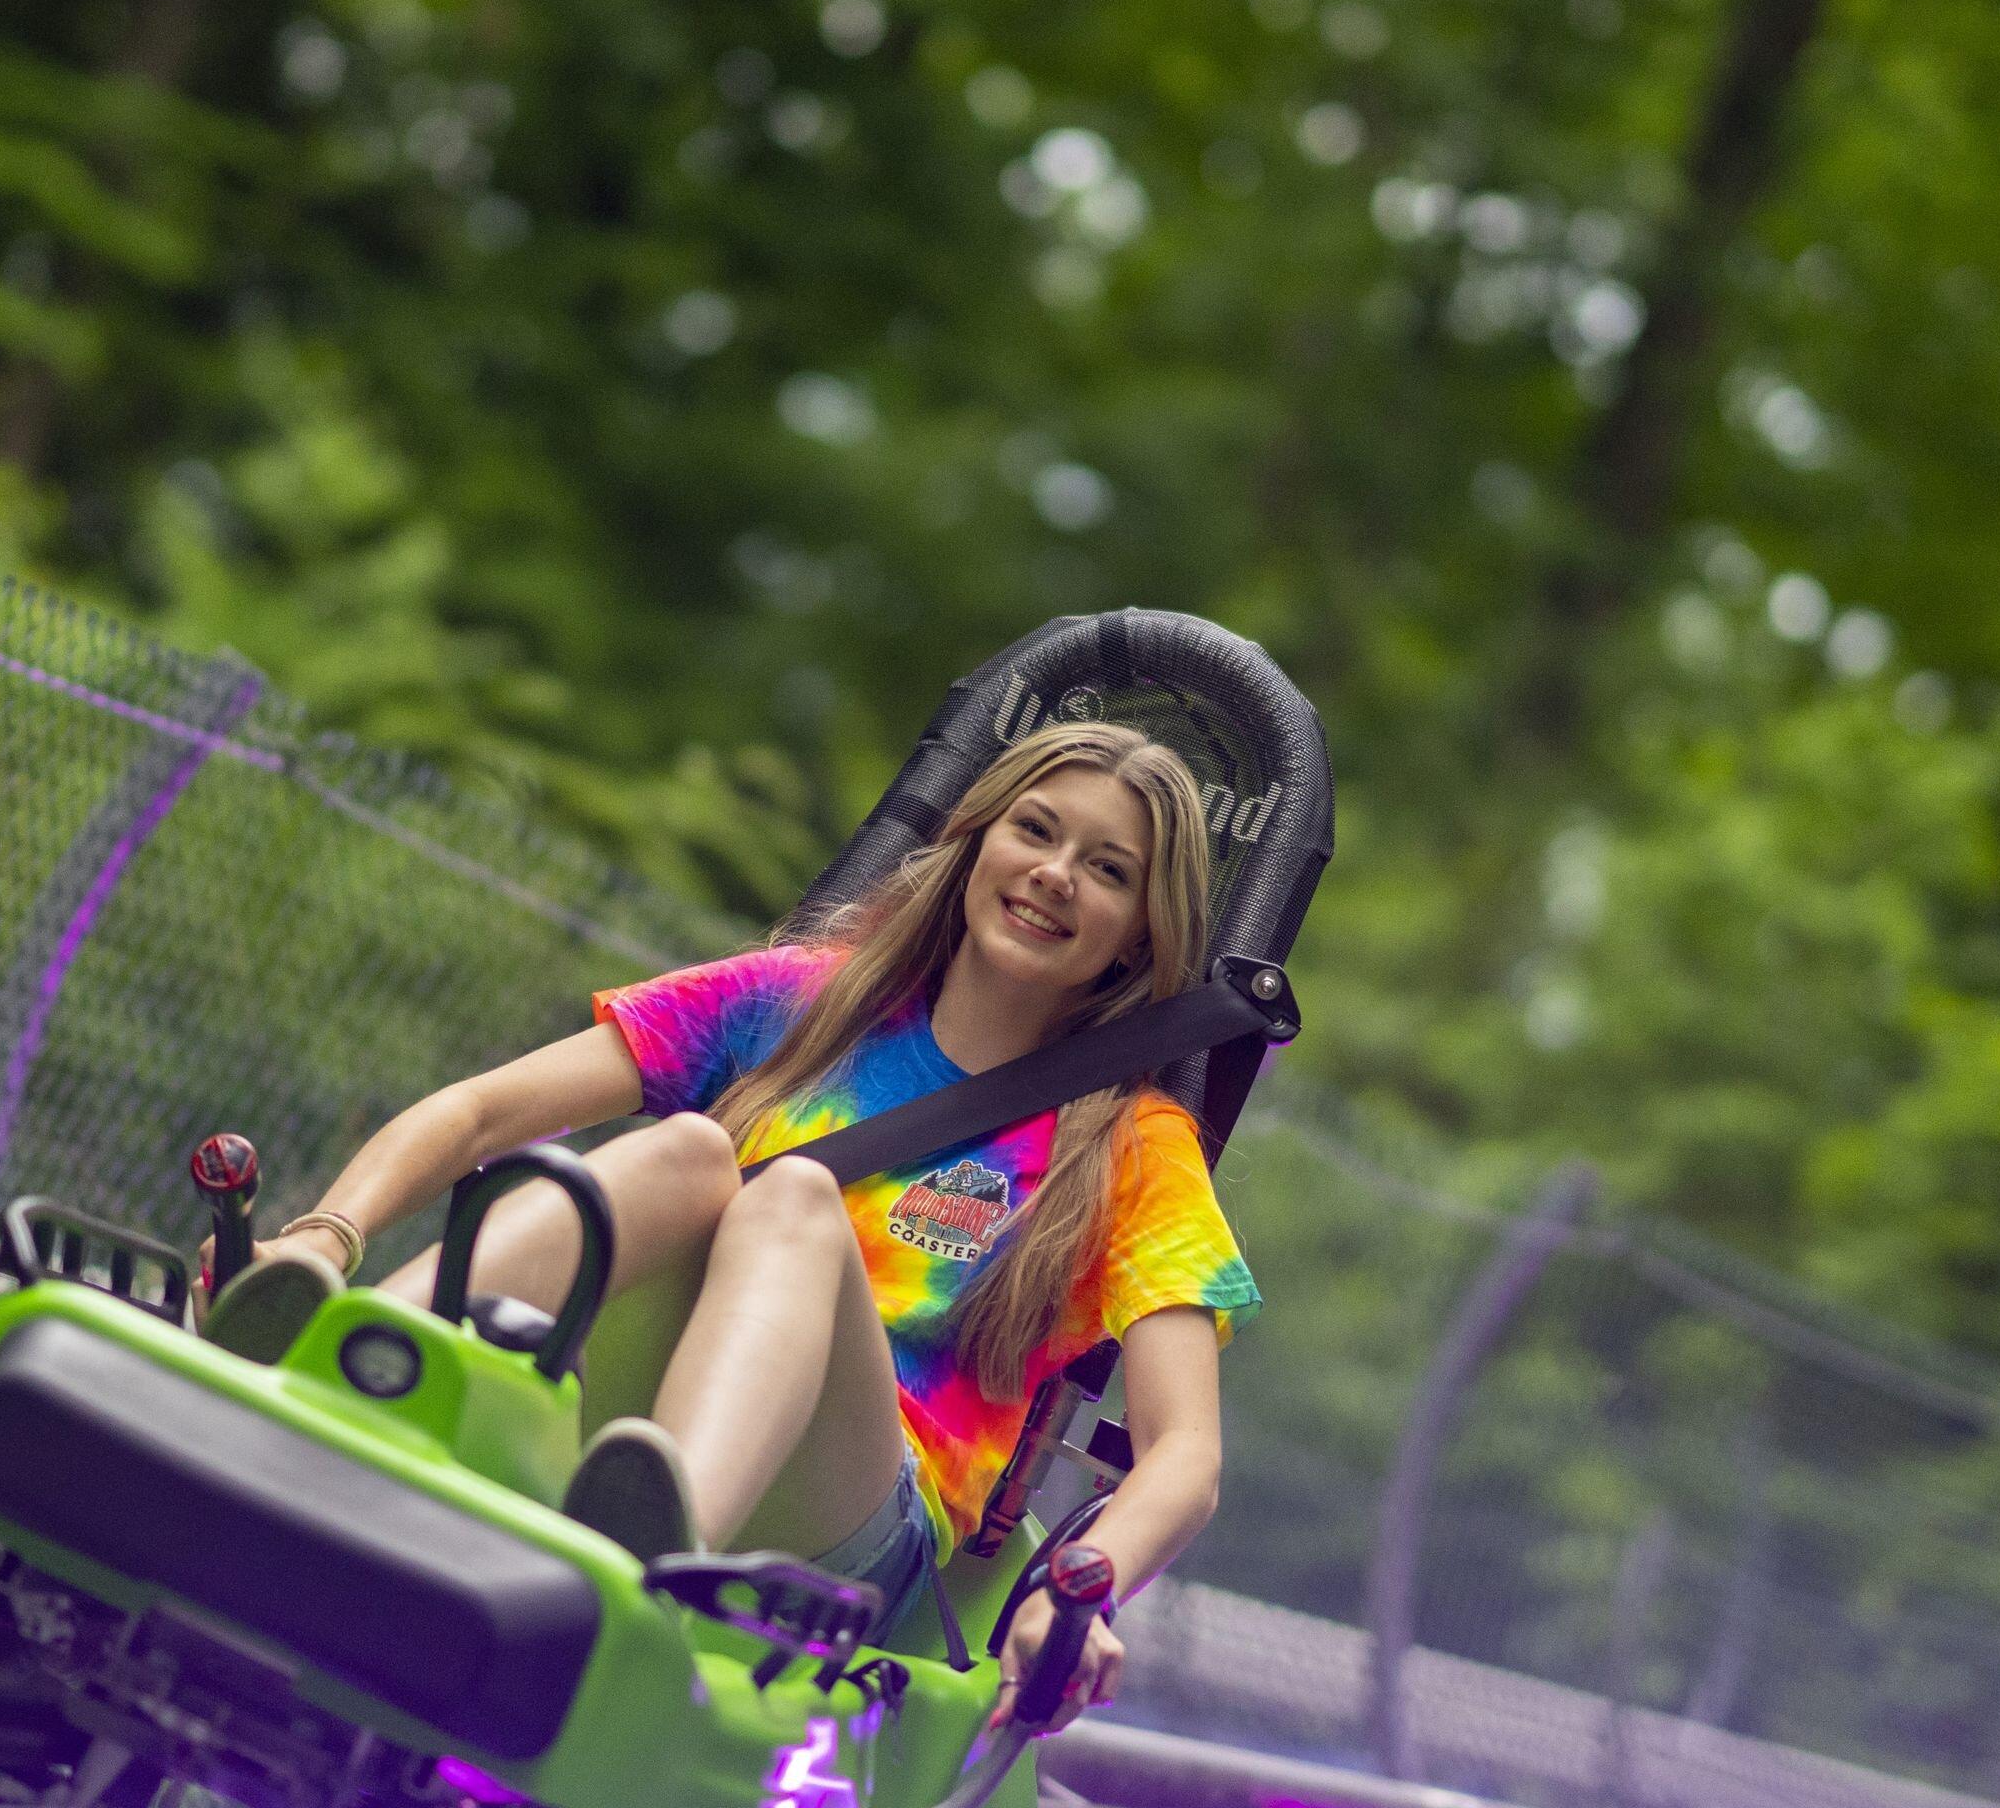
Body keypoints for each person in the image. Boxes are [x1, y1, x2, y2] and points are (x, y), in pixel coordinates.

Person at [206, 720, 1257, 1735]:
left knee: (791, 1194)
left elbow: (1184, 1456)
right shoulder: (803, 1002)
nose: (1056, 875)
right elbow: (479, 1113)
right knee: (691, 1154)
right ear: (978, 839)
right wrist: (324, 1234)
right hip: (623, 1409)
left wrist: (1084, 1597)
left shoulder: (1128, 1147)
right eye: (1035, 830)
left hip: (855, 1522)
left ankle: (659, 1550)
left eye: (1108, 870)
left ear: (1139, 935)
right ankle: (334, 1369)